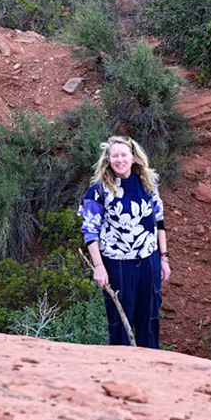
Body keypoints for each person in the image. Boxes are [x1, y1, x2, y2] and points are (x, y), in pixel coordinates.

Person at [78, 135, 169, 348]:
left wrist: (164, 258)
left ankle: (150, 368)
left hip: (149, 260)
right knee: (121, 321)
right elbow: (90, 232)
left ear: (134, 157)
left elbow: (160, 222)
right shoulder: (99, 191)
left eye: (124, 155)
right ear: (108, 160)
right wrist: (99, 267)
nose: (120, 160)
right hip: (117, 263)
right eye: (114, 156)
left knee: (149, 318)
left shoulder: (148, 184)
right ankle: (121, 370)